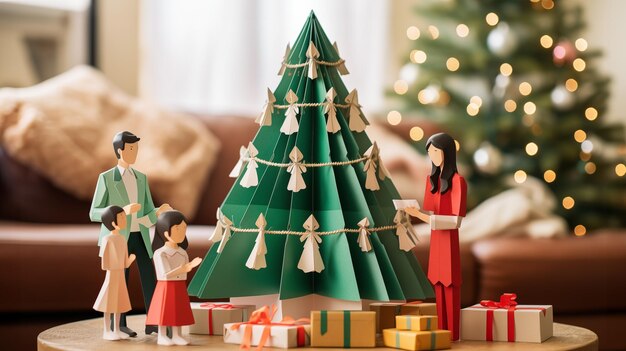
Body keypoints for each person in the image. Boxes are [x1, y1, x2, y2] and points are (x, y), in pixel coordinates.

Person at [90, 131, 172, 336]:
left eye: (136, 149)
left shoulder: (141, 178)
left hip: (141, 236)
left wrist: (159, 212)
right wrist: (121, 211)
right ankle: (119, 325)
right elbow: (94, 212)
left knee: (149, 279)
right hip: (119, 238)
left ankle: (153, 322)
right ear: (120, 150)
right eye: (131, 149)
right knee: (120, 282)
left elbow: (147, 211)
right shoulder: (106, 178)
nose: (135, 153)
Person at [404, 133, 467, 341]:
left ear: (447, 153)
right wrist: (417, 213)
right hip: (436, 244)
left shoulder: (458, 182)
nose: (431, 156)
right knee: (438, 287)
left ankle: (453, 335)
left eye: (435, 151)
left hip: (449, 243)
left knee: (450, 287)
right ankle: (442, 334)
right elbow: (430, 214)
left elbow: (455, 221)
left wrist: (420, 216)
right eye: (429, 152)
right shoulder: (431, 181)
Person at [146, 211, 202, 346]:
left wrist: (185, 270)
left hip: (179, 286)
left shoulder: (183, 252)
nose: (182, 232)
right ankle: (162, 335)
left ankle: (177, 335)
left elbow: (184, 274)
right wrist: (183, 269)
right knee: (164, 311)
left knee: (178, 312)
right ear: (165, 232)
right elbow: (164, 274)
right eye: (177, 229)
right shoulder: (160, 253)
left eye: (184, 229)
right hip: (165, 287)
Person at [93, 205, 135, 340]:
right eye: (121, 217)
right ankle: (106, 330)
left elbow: (125, 262)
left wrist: (130, 260)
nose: (125, 219)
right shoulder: (107, 239)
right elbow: (104, 261)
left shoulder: (122, 239)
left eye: (124, 216)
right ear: (112, 222)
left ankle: (116, 329)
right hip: (111, 275)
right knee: (108, 303)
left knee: (119, 303)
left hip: (120, 276)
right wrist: (112, 266)